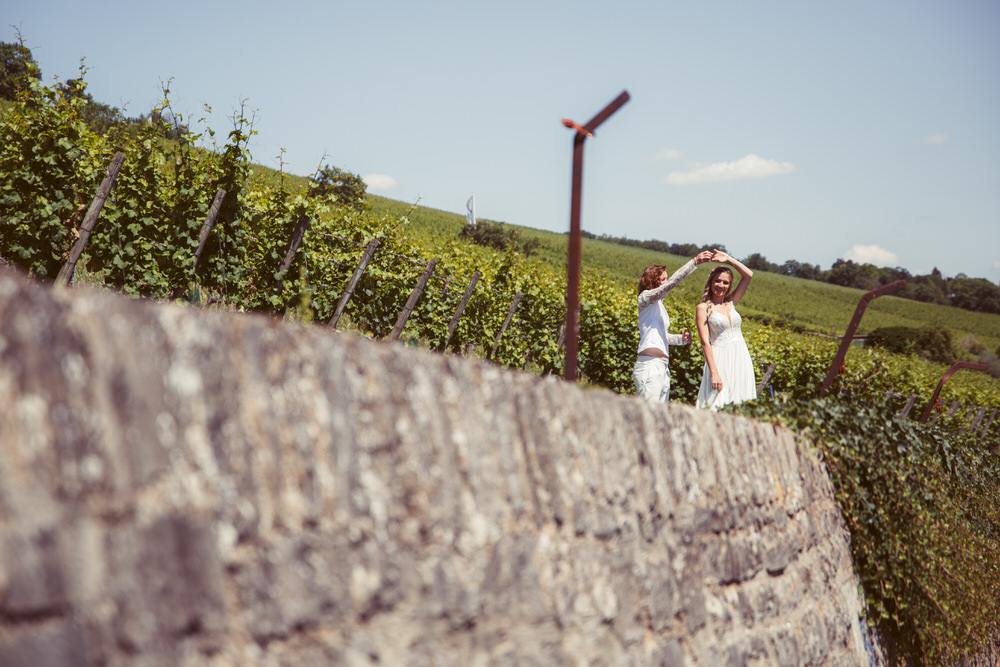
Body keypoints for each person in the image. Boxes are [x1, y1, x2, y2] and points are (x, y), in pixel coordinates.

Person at [634, 250, 716, 403]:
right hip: (649, 366)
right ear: (653, 280)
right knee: (645, 417)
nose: (667, 282)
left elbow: (661, 336)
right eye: (663, 279)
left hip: (662, 367)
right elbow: (672, 284)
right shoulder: (645, 298)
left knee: (659, 418)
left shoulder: (659, 307)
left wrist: (681, 339)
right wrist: (694, 262)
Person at [695, 251, 756, 410]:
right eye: (717, 281)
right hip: (720, 359)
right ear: (711, 282)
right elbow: (705, 343)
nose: (720, 285)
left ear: (729, 286)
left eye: (725, 283)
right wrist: (714, 372)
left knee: (741, 401)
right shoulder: (703, 308)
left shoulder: (731, 303)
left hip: (741, 357)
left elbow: (748, 275)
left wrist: (729, 259)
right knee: (717, 402)